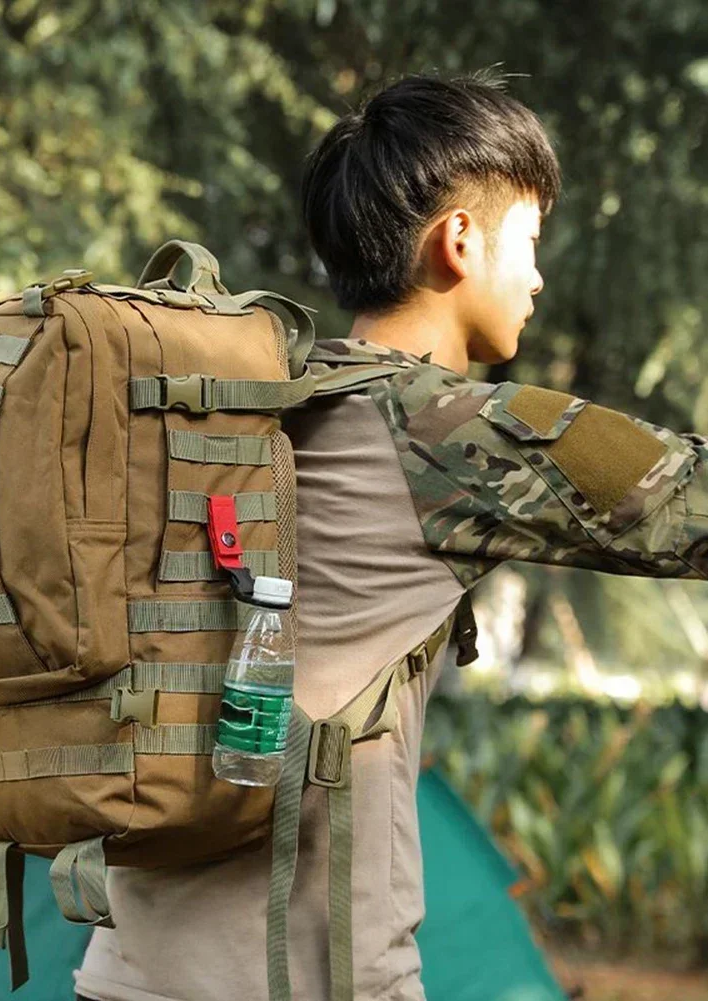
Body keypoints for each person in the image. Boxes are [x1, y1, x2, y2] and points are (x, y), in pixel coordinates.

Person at [74, 72, 707, 1001]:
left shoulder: (249, 408)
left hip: (122, 974)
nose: (535, 277)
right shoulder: (443, 429)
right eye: (527, 244)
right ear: (458, 242)